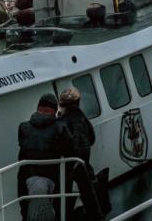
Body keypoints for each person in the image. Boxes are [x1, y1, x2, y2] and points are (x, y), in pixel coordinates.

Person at [17, 93, 73, 221]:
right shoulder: (60, 128)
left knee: (27, 210)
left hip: (26, 178)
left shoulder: (23, 127)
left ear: (38, 108)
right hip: (50, 180)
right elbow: (72, 151)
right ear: (54, 110)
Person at [57, 88, 99, 219]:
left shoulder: (61, 122)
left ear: (62, 104)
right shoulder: (82, 118)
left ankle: (66, 216)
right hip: (83, 162)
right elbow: (92, 138)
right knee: (89, 192)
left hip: (70, 164)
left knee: (66, 193)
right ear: (78, 102)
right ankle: (96, 215)